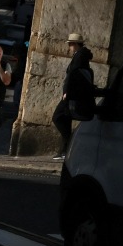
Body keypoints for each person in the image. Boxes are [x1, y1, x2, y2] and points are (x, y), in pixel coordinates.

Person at [52, 32, 96, 160]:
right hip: (71, 94)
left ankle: (68, 144)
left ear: (76, 44)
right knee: (65, 119)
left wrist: (67, 92)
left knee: (58, 117)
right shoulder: (80, 55)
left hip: (70, 95)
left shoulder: (80, 56)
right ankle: (64, 150)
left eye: (71, 44)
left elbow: (74, 75)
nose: (69, 47)